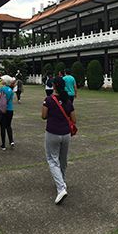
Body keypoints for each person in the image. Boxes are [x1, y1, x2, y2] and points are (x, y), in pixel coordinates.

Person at [42, 76, 74, 205]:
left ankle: (61, 188)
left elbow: (43, 116)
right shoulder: (67, 100)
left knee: (52, 160)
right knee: (62, 159)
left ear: (54, 86)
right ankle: (62, 181)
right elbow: (74, 119)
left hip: (52, 132)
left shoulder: (48, 100)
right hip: (66, 133)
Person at [0, 76, 15, 150]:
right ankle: (11, 141)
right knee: (8, 126)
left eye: (2, 80)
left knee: (2, 127)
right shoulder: (11, 90)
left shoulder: (2, 89)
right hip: (10, 109)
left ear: (5, 81)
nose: (1, 80)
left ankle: (3, 145)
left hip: (3, 110)